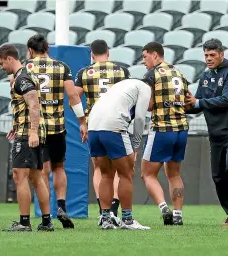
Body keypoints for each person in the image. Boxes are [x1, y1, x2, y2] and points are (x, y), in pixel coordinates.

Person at [24, 34, 88, 229]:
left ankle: (46, 215)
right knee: (59, 167)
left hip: (36, 128)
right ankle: (61, 206)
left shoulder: (25, 67)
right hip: (58, 127)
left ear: (30, 50)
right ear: (47, 49)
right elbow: (73, 96)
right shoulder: (62, 67)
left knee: (42, 170)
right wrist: (82, 121)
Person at [184, 39, 228, 226]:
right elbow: (197, 104)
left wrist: (197, 102)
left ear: (222, 54)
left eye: (212, 55)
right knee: (218, 175)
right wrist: (182, 106)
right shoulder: (205, 76)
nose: (208, 58)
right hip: (216, 134)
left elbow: (225, 100)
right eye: (206, 55)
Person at [0, 44, 55, 232]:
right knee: (37, 177)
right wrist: (16, 126)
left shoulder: (22, 78)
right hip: (29, 131)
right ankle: (46, 222)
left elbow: (34, 104)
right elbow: (24, 106)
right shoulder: (24, 76)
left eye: (1, 63)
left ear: (9, 59)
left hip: (28, 134)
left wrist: (32, 132)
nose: (1, 67)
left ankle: (24, 222)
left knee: (20, 176)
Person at [74, 39, 131, 224]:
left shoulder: (84, 73)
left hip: (95, 124)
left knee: (100, 168)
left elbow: (74, 97)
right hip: (116, 123)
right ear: (109, 52)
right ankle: (114, 210)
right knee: (119, 170)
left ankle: (103, 211)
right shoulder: (122, 71)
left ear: (91, 54)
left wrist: (82, 122)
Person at [88, 79, 152, 230]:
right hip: (113, 127)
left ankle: (105, 219)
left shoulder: (120, 86)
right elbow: (141, 118)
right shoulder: (144, 88)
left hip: (93, 126)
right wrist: (136, 146)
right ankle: (128, 220)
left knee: (106, 174)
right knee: (126, 174)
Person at [140, 42, 190, 226]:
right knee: (174, 174)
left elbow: (150, 105)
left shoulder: (151, 75)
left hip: (161, 129)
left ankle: (164, 208)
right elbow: (189, 101)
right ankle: (178, 214)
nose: (143, 61)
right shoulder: (179, 73)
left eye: (145, 56)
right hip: (182, 129)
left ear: (154, 55)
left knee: (147, 173)